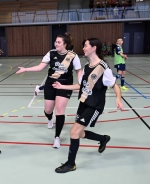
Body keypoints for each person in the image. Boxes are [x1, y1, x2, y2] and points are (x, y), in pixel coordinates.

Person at [53, 38, 124, 173]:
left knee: (74, 132)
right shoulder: (86, 67)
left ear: (94, 48)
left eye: (85, 46)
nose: (83, 48)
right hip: (84, 103)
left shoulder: (103, 68)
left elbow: (115, 85)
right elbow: (80, 86)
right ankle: (103, 139)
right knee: (79, 134)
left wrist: (118, 98)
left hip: (94, 106)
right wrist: (62, 86)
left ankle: (71, 163)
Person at [16, 33, 82, 149]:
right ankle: (50, 118)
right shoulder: (51, 53)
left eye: (59, 42)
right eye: (55, 42)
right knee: (48, 110)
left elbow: (78, 71)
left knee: (60, 110)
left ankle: (57, 137)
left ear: (65, 44)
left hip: (64, 84)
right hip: (51, 83)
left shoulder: (73, 56)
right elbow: (40, 67)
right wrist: (26, 69)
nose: (56, 44)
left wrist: (81, 83)